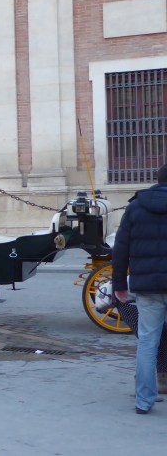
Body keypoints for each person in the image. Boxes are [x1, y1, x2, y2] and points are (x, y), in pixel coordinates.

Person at [112, 163, 167, 414]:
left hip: (147, 286)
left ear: (157, 180)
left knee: (147, 342)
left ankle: (143, 401)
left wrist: (118, 284)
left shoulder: (135, 207)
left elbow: (120, 248)